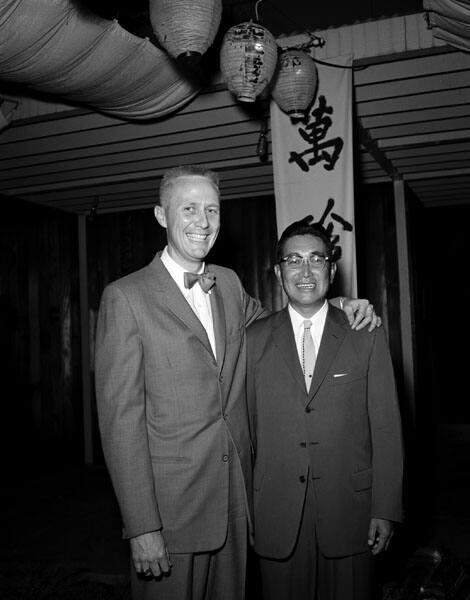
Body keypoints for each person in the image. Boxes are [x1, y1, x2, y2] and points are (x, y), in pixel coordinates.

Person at [95, 166, 380, 600]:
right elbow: (120, 425)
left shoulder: (226, 282)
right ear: (160, 215)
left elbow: (273, 324)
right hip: (171, 512)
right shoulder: (126, 297)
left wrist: (332, 303)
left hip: (236, 503)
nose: (203, 222)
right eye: (189, 208)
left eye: (212, 209)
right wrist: (142, 525)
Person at [247, 217, 404, 600]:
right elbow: (245, 432)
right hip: (277, 514)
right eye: (293, 260)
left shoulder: (365, 333)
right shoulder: (252, 341)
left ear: (331, 269)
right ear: (278, 271)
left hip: (351, 514)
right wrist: (249, 512)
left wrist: (385, 508)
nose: (305, 270)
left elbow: (386, 428)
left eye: (316, 259)